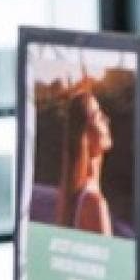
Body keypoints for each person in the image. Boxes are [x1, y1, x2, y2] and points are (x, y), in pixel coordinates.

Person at [56, 87, 113, 236]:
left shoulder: (74, 197)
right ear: (86, 135)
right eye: (98, 116)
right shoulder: (94, 203)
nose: (107, 119)